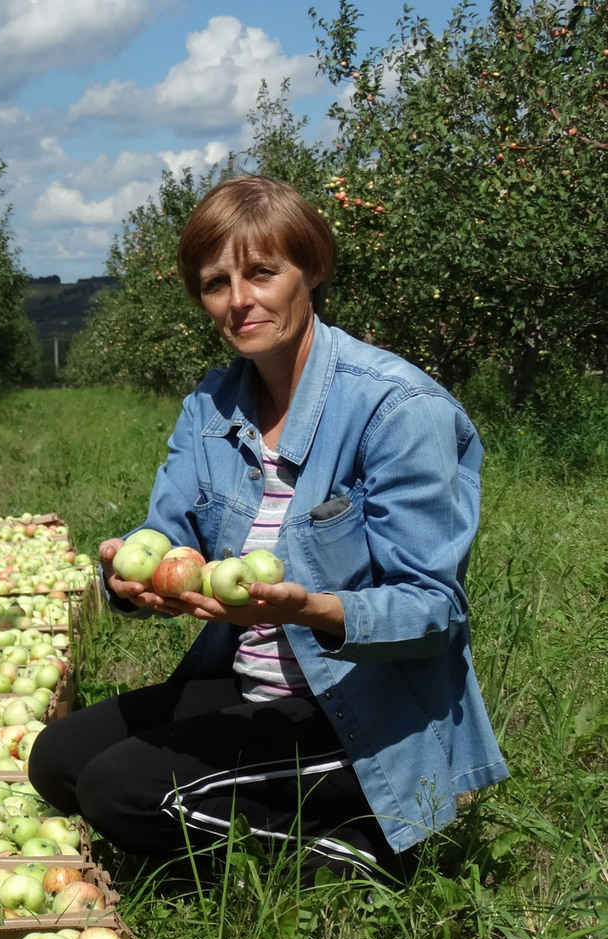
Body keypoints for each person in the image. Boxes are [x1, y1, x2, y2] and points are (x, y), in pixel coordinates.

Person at [28, 175, 506, 883]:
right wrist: (127, 576)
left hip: (362, 707)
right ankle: (288, 817)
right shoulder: (213, 405)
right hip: (256, 686)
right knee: (58, 762)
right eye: (216, 282)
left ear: (309, 270)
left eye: (261, 273)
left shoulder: (397, 408)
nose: (239, 300)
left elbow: (434, 608)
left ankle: (374, 856)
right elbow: (168, 530)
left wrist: (311, 609)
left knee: (117, 792)